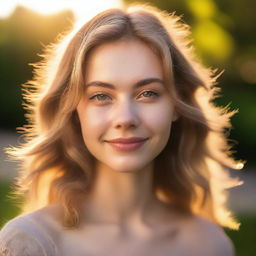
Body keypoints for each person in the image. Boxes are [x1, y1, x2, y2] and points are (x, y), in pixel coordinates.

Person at [0, 3, 243, 256]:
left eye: (148, 93)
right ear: (73, 110)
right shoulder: (31, 242)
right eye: (101, 95)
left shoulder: (209, 243)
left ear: (176, 105)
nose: (125, 118)